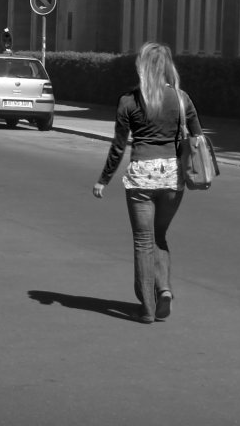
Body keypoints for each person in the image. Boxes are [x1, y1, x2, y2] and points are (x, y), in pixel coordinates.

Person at [91, 42, 202, 324]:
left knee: (143, 241)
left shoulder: (128, 100)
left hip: (141, 174)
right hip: (171, 176)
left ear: (141, 67)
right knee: (160, 235)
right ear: (166, 66)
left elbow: (118, 146)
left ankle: (147, 307)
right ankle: (163, 289)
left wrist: (103, 179)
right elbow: (198, 138)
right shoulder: (181, 99)